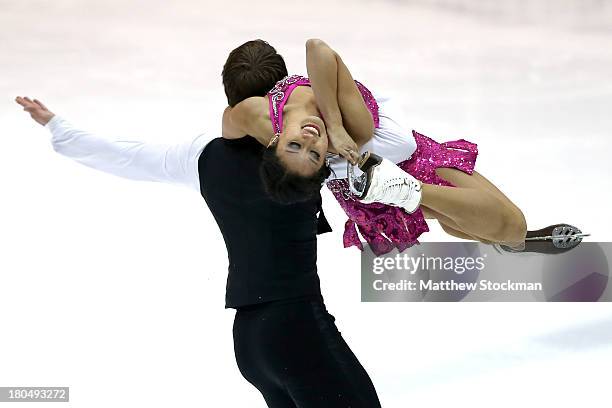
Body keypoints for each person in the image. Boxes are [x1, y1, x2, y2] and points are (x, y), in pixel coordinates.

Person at [14, 41, 383, 408]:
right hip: (299, 332)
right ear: (281, 90)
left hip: (251, 344)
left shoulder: (204, 155)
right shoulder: (314, 155)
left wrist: (58, 126)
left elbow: (127, 156)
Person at [223, 38, 586, 256]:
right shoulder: (358, 128)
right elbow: (318, 49)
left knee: (461, 225)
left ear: (273, 139)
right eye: (314, 153)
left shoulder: (258, 115)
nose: (309, 136)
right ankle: (415, 192)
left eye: (294, 145)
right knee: (514, 226)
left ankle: (477, 228)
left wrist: (332, 123)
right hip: (392, 176)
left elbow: (315, 48)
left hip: (389, 164)